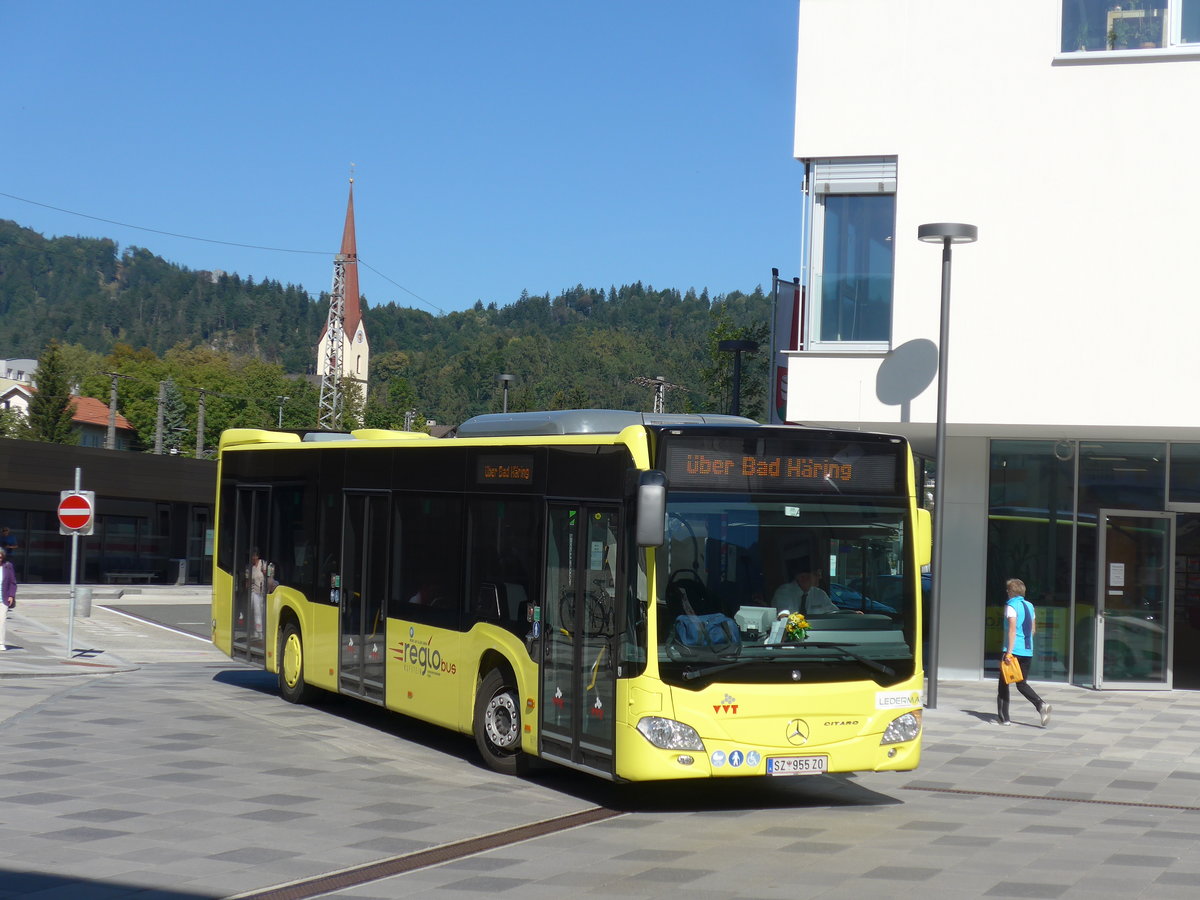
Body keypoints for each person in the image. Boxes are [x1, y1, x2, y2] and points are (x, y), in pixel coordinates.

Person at [998, 578, 1052, 727]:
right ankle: (1041, 705)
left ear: (1011, 592)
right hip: (1027, 651)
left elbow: (1012, 629)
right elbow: (1033, 630)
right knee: (1021, 684)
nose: (1007, 592)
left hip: (1013, 650)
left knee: (1003, 684)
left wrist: (1009, 652)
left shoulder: (1011, 606)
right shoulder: (1029, 606)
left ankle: (1004, 718)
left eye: (1008, 590)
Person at [772, 560, 838, 616]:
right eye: (816, 574)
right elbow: (783, 616)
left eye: (820, 574)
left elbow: (835, 614)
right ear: (802, 577)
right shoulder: (784, 592)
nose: (820, 577)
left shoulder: (820, 594)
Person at [248, 548, 267, 638]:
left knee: (260, 611)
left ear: (257, 556)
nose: (253, 558)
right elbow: (248, 582)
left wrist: (265, 572)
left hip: (262, 592)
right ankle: (257, 630)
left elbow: (268, 575)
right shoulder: (251, 568)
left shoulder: (263, 564)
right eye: (252, 556)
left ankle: (260, 631)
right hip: (254, 592)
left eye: (254, 556)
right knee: (256, 611)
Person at [0, 547, 16, 651]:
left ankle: (1, 643)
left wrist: (11, 595)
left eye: (0, 557)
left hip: (3, 599)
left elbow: (12, 582)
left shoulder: (8, 566)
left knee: (2, 621)